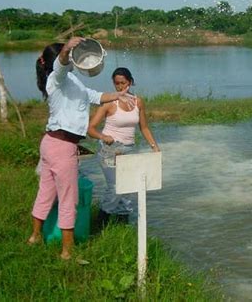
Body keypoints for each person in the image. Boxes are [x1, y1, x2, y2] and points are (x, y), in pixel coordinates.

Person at [28, 37, 135, 260]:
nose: (73, 63)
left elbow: (94, 96)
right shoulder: (55, 79)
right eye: (69, 59)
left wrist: (118, 95)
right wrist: (68, 48)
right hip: (62, 146)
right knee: (69, 198)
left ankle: (35, 237)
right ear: (59, 60)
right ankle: (68, 251)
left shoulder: (72, 81)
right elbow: (61, 64)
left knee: (46, 192)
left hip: (52, 143)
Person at [87, 67, 160, 223]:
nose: (120, 87)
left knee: (127, 187)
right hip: (109, 149)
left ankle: (122, 222)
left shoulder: (138, 101)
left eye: (123, 83)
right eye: (117, 84)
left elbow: (144, 127)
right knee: (114, 186)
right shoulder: (109, 103)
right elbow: (90, 128)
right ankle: (101, 220)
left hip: (128, 149)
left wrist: (154, 146)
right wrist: (103, 136)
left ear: (130, 82)